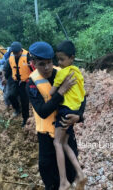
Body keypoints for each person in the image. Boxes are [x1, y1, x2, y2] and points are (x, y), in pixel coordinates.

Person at [26, 41, 86, 190]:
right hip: (46, 138)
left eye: (49, 62)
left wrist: (79, 116)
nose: (47, 67)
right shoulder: (32, 83)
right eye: (41, 64)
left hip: (66, 131)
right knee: (49, 177)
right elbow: (43, 111)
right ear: (33, 63)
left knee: (71, 174)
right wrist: (61, 92)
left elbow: (82, 97)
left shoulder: (64, 72)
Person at [49, 40, 87, 190]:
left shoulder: (62, 73)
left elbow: (52, 92)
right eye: (58, 59)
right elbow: (83, 93)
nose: (59, 63)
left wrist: (53, 90)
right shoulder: (77, 72)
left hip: (64, 110)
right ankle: (80, 174)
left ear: (71, 58)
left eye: (62, 59)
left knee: (57, 143)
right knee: (64, 143)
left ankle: (63, 181)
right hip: (74, 110)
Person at [2, 41, 33, 127]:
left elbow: (34, 69)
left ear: (21, 50)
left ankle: (25, 119)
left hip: (25, 82)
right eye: (14, 53)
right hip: (15, 81)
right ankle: (17, 109)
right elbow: (6, 68)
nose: (15, 54)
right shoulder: (11, 56)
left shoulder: (28, 56)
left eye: (17, 53)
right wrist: (4, 77)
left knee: (24, 101)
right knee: (10, 95)